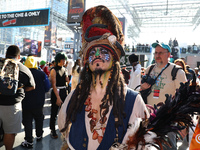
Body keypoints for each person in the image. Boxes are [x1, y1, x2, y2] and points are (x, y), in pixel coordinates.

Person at [58, 5, 149, 150]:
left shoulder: (133, 100)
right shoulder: (75, 96)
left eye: (104, 52)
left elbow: (144, 142)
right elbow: (62, 124)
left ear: (114, 60)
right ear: (87, 62)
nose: (98, 56)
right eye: (93, 52)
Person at [141, 42, 187, 150]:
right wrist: (143, 88)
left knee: (168, 147)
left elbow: (185, 97)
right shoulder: (149, 69)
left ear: (168, 54)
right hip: (148, 116)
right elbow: (142, 91)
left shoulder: (177, 71)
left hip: (167, 118)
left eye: (161, 53)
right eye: (156, 53)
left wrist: (182, 122)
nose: (157, 55)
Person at [0, 45, 35, 150]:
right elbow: (32, 86)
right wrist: (20, 88)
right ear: (18, 56)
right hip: (12, 106)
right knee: (10, 132)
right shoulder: (22, 68)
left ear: (6, 54)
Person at [21, 56, 51, 148]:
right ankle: (39, 135)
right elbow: (47, 87)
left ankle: (29, 140)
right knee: (39, 118)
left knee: (27, 121)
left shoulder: (22, 74)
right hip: (39, 102)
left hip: (26, 102)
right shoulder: (42, 74)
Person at [49, 52, 69, 139]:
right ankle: (52, 129)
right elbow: (53, 84)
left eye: (65, 59)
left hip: (64, 91)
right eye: (63, 59)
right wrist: (58, 97)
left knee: (64, 112)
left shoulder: (64, 69)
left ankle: (64, 128)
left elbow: (67, 81)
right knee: (54, 112)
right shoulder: (53, 70)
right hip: (57, 91)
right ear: (58, 60)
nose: (64, 61)